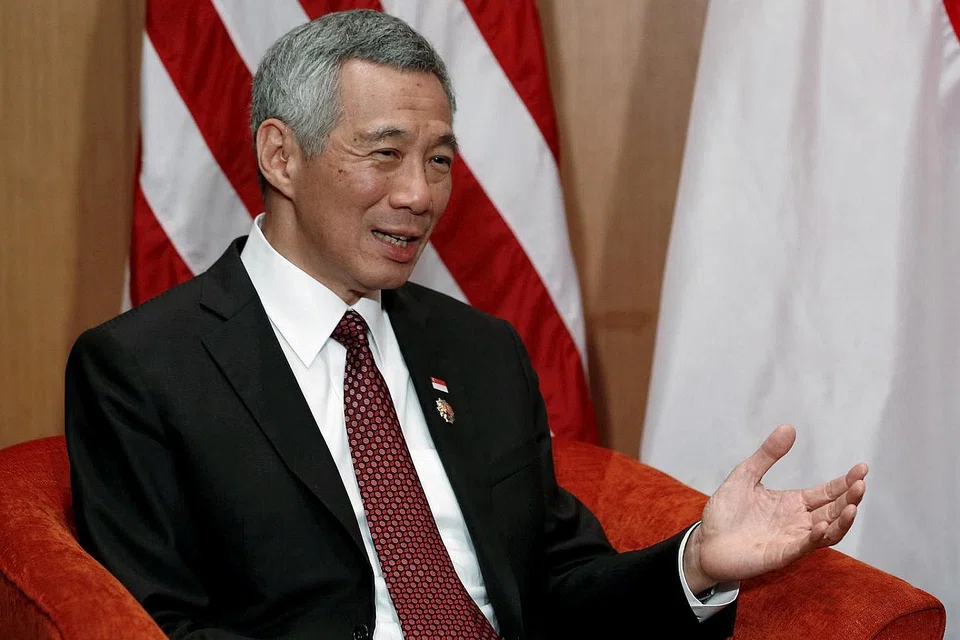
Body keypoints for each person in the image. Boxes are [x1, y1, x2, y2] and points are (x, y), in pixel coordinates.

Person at [65, 10, 867, 640]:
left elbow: (558, 586)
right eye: (385, 154)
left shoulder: (480, 352)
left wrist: (697, 563)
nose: (420, 194)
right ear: (281, 156)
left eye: (440, 159)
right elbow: (153, 624)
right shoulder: (144, 369)